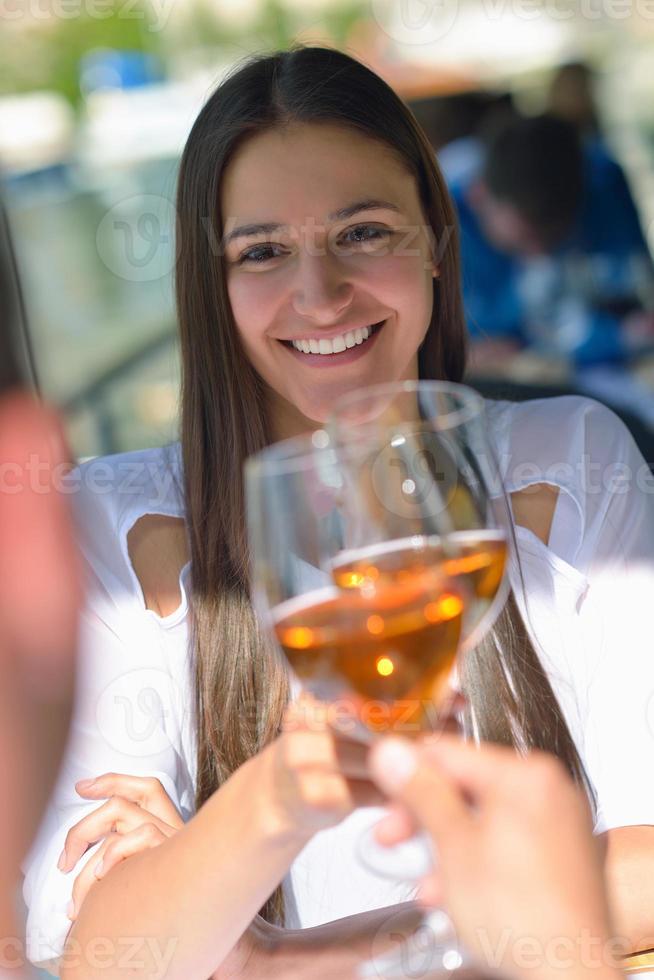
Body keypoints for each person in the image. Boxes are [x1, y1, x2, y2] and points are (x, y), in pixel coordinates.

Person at [22, 45, 654, 979]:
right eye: (264, 251)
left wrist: (283, 960)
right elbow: (98, 957)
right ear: (213, 284)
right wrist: (274, 797)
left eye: (362, 233)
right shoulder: (113, 522)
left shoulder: (571, 461)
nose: (318, 296)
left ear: (437, 247)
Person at [450, 112, 654, 369]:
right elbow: (468, 339)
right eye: (525, 238)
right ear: (477, 196)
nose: (540, 253)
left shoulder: (605, 182)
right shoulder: (445, 215)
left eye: (555, 236)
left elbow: (630, 291)